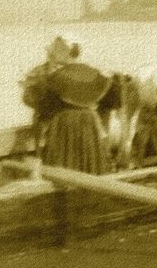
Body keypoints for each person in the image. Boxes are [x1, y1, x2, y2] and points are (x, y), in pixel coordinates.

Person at [32, 43, 112, 174]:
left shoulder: (57, 76)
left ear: (66, 53)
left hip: (65, 123)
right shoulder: (96, 74)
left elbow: (45, 105)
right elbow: (107, 101)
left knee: (65, 160)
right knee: (88, 162)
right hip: (89, 121)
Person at [20, 35, 79, 154]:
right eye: (58, 49)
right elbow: (27, 97)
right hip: (45, 121)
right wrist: (43, 103)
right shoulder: (38, 71)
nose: (65, 55)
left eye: (65, 50)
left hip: (68, 122)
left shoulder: (74, 71)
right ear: (51, 52)